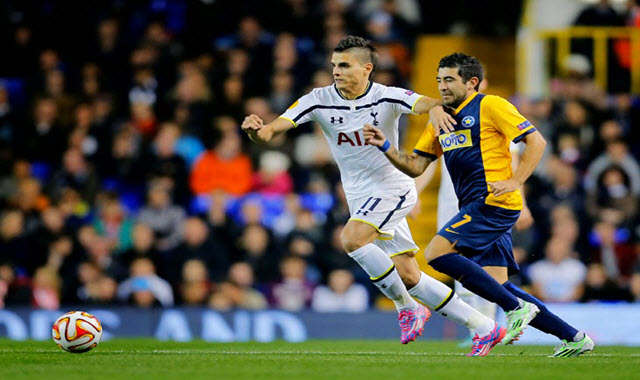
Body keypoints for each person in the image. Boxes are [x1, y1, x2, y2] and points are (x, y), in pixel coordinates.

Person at [242, 36, 503, 356]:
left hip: (394, 187)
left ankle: (406, 307)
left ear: (367, 69)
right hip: (360, 196)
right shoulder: (317, 99)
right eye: (334, 65)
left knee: (352, 238)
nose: (336, 71)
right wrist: (257, 130)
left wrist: (436, 109)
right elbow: (271, 131)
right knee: (409, 275)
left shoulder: (386, 96)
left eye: (344, 65)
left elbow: (428, 102)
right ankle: (485, 327)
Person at [364, 52, 594, 357]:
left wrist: (516, 181)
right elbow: (416, 165)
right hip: (472, 205)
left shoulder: (491, 105)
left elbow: (536, 142)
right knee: (499, 283)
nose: (442, 86)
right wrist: (386, 147)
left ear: (472, 82)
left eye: (449, 80)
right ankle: (574, 337)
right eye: (438, 80)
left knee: (435, 253)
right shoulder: (440, 119)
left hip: (494, 202)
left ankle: (514, 310)